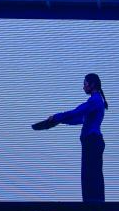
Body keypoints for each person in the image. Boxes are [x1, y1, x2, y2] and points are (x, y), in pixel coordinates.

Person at [47, 72, 109, 202]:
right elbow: (78, 119)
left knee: (91, 178)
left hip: (92, 142)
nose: (83, 87)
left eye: (85, 84)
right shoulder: (96, 101)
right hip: (91, 143)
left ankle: (94, 206)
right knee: (91, 177)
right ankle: (93, 205)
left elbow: (77, 112)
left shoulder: (95, 101)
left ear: (92, 84)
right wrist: (59, 120)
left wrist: (56, 117)